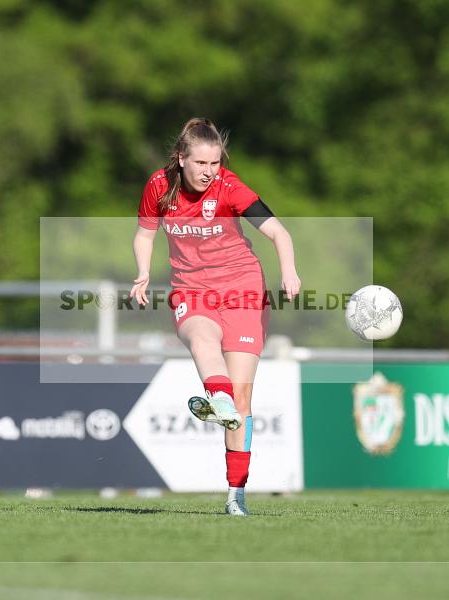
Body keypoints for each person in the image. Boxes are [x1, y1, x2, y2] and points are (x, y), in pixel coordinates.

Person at [131, 118, 300, 516]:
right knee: (203, 341)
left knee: (242, 399)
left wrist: (289, 272)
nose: (210, 172)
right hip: (191, 289)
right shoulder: (158, 185)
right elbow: (144, 233)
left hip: (243, 288)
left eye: (216, 163)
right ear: (180, 158)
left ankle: (235, 494)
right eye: (202, 163)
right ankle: (217, 398)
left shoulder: (229, 187)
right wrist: (142, 272)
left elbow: (279, 233)